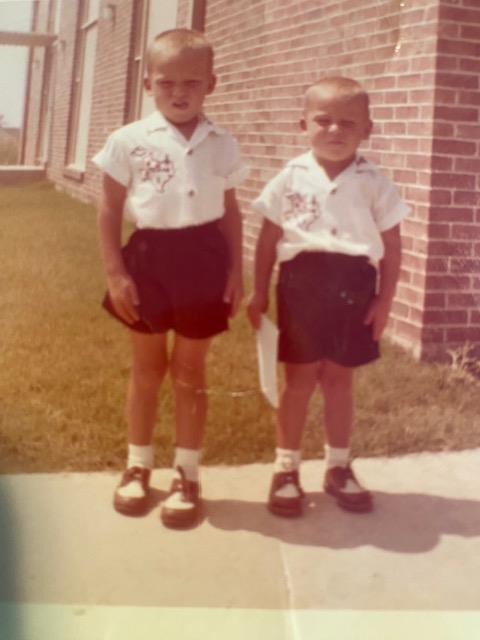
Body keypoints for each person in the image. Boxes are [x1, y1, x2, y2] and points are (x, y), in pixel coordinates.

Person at [93, 29, 247, 528]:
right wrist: (116, 272)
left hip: (203, 260)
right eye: (166, 83)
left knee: (190, 372)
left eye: (191, 83)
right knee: (146, 369)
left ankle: (187, 472)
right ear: (147, 84)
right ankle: (138, 465)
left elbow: (230, 212)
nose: (178, 92)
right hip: (148, 259)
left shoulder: (221, 144)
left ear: (211, 85)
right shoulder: (129, 140)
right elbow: (110, 208)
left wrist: (235, 271)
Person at [247, 76, 410, 517]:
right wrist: (259, 290)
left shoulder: (375, 182)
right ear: (303, 124)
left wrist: (385, 300)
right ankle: (286, 469)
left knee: (339, 380)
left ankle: (338, 466)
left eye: (348, 123)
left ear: (367, 130)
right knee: (298, 381)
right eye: (324, 121)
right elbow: (267, 238)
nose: (335, 131)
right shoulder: (290, 176)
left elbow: (392, 247)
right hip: (301, 284)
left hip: (354, 285)